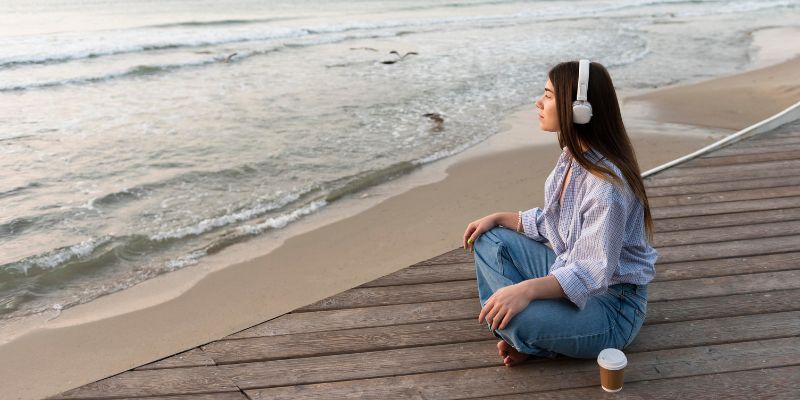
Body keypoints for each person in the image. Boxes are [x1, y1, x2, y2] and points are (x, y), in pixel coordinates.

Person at [462, 60, 657, 367]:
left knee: (514, 319)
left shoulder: (606, 188)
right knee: (491, 239)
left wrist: (525, 290)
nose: (539, 102)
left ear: (579, 109)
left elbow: (591, 273)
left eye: (549, 95)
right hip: (570, 272)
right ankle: (525, 331)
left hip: (612, 309)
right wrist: (500, 217)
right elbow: (555, 224)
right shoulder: (573, 157)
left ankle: (525, 334)